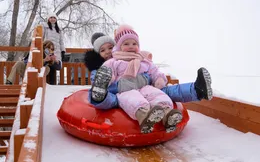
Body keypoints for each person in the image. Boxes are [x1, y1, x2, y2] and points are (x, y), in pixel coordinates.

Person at [85, 28, 213, 112]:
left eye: (110, 47)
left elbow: (150, 69)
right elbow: (100, 82)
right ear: (98, 54)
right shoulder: (102, 68)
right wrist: (125, 84)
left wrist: (153, 79)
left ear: (117, 47)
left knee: (163, 91)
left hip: (143, 89)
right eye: (102, 50)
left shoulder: (131, 58)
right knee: (112, 99)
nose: (107, 52)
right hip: (119, 93)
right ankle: (99, 97)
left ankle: (197, 89)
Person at [91, 26, 184, 133]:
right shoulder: (114, 61)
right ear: (119, 46)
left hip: (144, 86)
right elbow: (107, 71)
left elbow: (153, 70)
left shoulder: (142, 59)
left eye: (134, 44)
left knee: (156, 94)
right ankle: (144, 117)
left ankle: (167, 115)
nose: (131, 46)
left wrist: (158, 78)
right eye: (126, 44)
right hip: (125, 89)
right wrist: (106, 80)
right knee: (132, 99)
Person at [42, 13, 65, 85]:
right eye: (51, 17)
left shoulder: (59, 30)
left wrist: (63, 50)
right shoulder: (45, 28)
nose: (52, 19)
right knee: (47, 64)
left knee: (54, 66)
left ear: (56, 19)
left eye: (54, 18)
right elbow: (42, 38)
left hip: (57, 50)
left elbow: (61, 41)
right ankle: (46, 83)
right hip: (47, 49)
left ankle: (52, 84)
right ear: (48, 19)